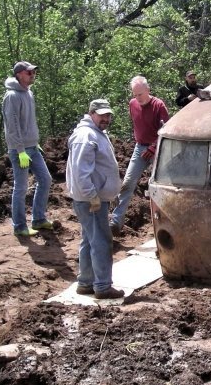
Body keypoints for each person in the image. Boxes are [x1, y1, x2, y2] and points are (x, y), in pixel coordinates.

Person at [66, 99, 124, 300]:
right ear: (91, 114)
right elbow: (81, 173)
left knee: (90, 240)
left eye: (108, 115)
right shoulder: (86, 136)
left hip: (94, 197)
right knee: (101, 240)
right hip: (90, 199)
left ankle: (86, 283)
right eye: (102, 115)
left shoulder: (96, 133)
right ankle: (102, 286)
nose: (106, 119)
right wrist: (92, 197)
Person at [109, 76, 169, 236]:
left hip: (158, 149)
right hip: (139, 148)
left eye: (140, 94)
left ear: (148, 90)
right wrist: (141, 143)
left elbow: (166, 131)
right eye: (135, 95)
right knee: (128, 182)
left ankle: (165, 224)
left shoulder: (158, 105)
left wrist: (153, 147)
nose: (137, 98)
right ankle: (115, 222)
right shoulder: (132, 104)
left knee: (159, 187)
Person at [2, 61, 54, 237]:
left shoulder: (29, 93)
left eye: (33, 72)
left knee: (45, 180)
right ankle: (19, 226)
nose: (33, 74)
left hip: (32, 147)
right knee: (21, 187)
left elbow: (28, 122)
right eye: (29, 72)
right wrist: (20, 149)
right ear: (19, 75)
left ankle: (38, 219)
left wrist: (34, 141)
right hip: (20, 151)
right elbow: (12, 126)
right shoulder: (12, 96)